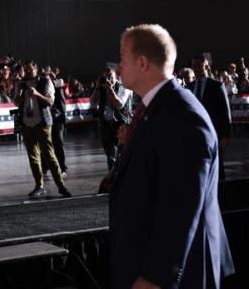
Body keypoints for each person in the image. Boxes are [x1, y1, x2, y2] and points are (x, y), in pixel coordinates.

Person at [110, 24, 234, 289]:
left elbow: (180, 207)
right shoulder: (159, 109)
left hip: (177, 276)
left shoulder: (182, 117)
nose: (119, 67)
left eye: (122, 58)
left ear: (142, 63)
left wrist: (156, 277)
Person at [14, 61, 71, 198]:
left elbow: (50, 102)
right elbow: (16, 102)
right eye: (25, 69)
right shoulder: (21, 84)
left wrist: (36, 94)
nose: (27, 71)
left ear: (36, 69)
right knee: (33, 157)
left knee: (49, 155)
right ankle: (39, 186)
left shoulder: (46, 81)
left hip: (42, 123)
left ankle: (61, 185)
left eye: (30, 69)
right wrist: (21, 94)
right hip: (27, 124)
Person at [188, 54, 232, 181]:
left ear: (206, 66)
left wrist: (226, 137)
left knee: (216, 174)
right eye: (194, 66)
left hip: (213, 137)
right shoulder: (189, 88)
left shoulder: (216, 86)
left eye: (199, 65)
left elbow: (225, 113)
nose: (196, 68)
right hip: (195, 138)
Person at [90, 67, 132, 170]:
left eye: (110, 77)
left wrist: (111, 90)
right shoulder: (101, 88)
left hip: (120, 125)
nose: (108, 80)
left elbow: (119, 104)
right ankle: (113, 179)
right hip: (105, 125)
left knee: (123, 155)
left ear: (116, 77)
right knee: (110, 156)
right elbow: (92, 102)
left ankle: (123, 179)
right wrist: (97, 88)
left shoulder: (123, 87)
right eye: (106, 77)